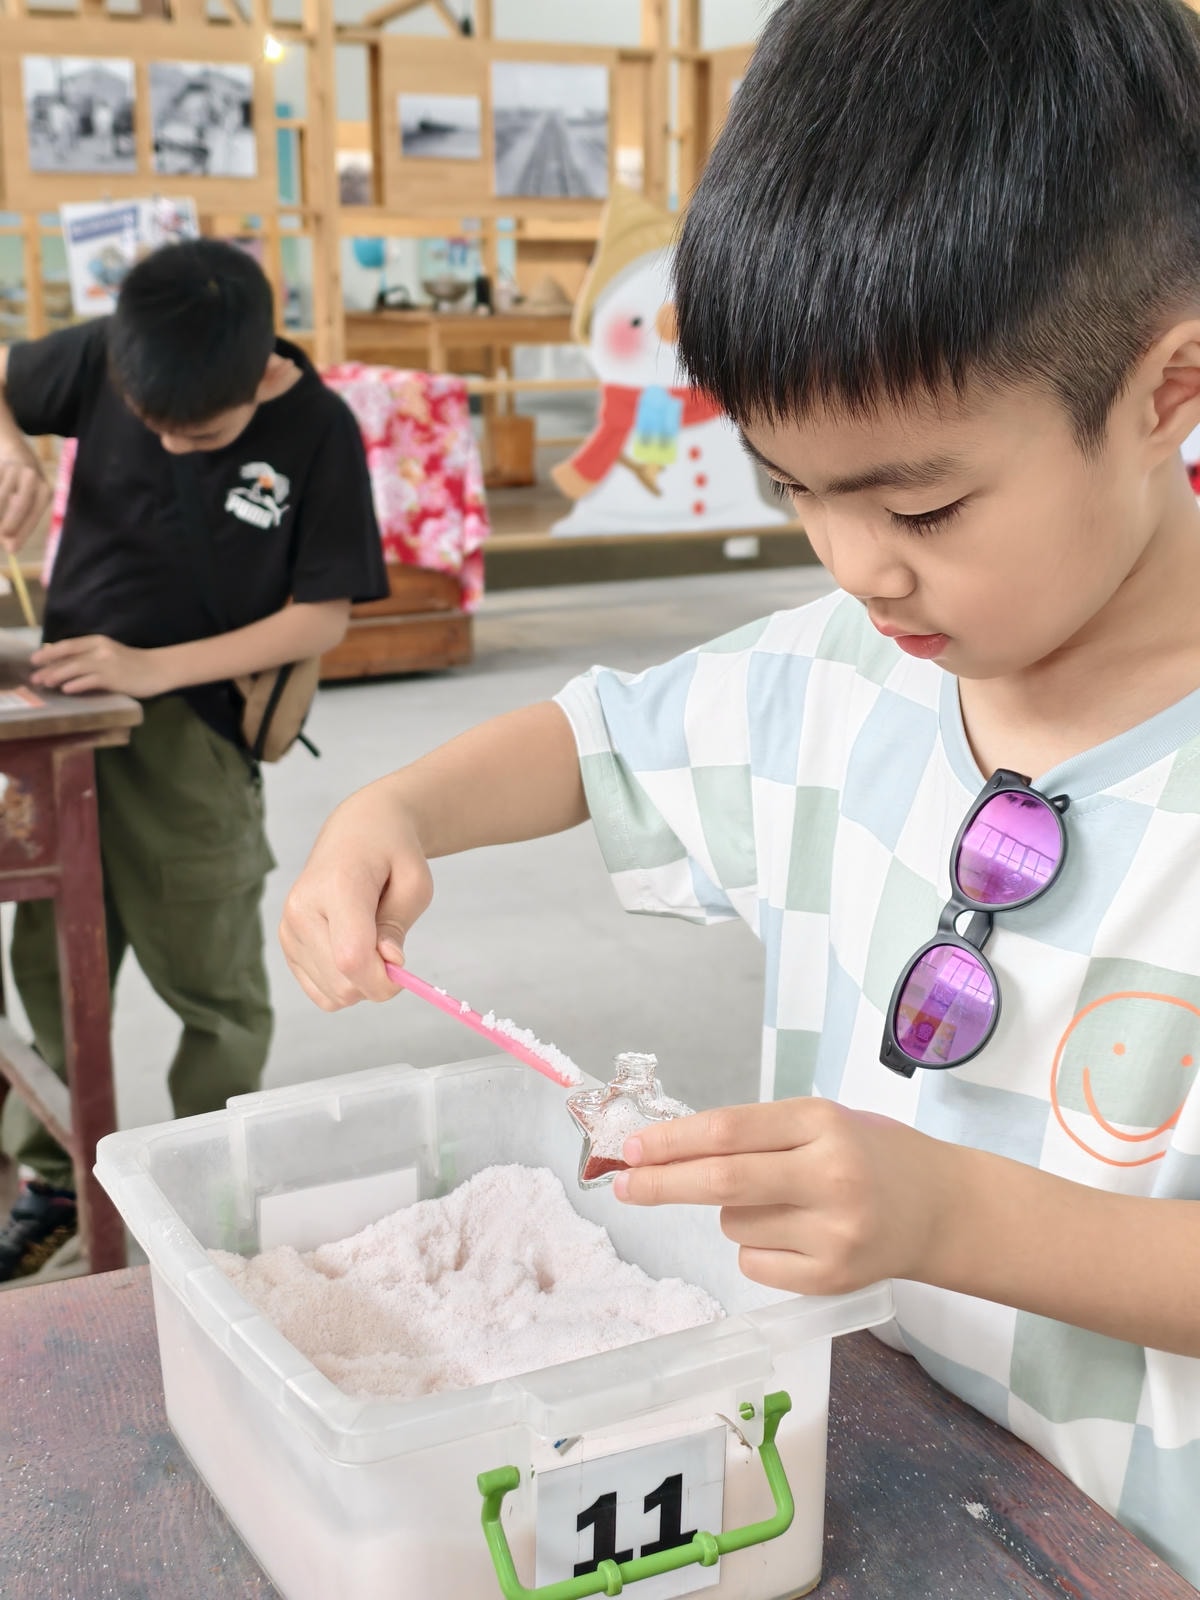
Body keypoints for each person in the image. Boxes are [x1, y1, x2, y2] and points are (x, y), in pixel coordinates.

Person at [281, 0, 1200, 1582]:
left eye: (921, 498)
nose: (856, 566)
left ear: (1170, 387)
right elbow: (598, 736)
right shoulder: (839, 677)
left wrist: (951, 1219)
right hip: (876, 1483)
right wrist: (400, 811)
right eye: (797, 494)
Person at [0, 238, 387, 1279]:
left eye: (201, 433)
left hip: (194, 735)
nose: (171, 444)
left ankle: (208, 1194)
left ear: (260, 371)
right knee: (50, 964)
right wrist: (15, 449)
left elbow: (321, 618)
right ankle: (50, 1178)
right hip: (64, 715)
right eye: (148, 421)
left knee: (210, 979)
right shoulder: (116, 355)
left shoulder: (316, 430)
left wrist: (153, 666)